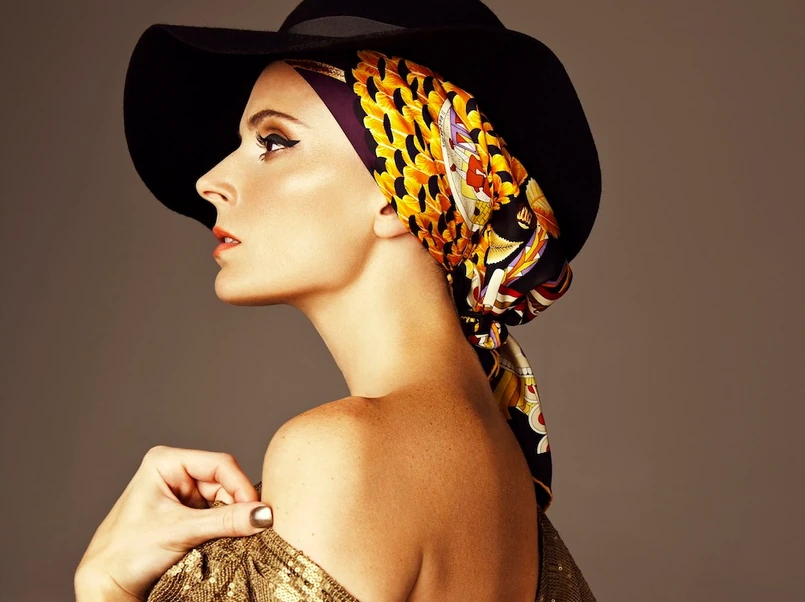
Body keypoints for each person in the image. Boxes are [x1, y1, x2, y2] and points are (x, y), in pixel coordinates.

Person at [76, 1, 602, 600]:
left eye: (274, 141)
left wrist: (106, 585)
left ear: (400, 188)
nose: (209, 182)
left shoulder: (343, 455)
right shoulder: (508, 473)